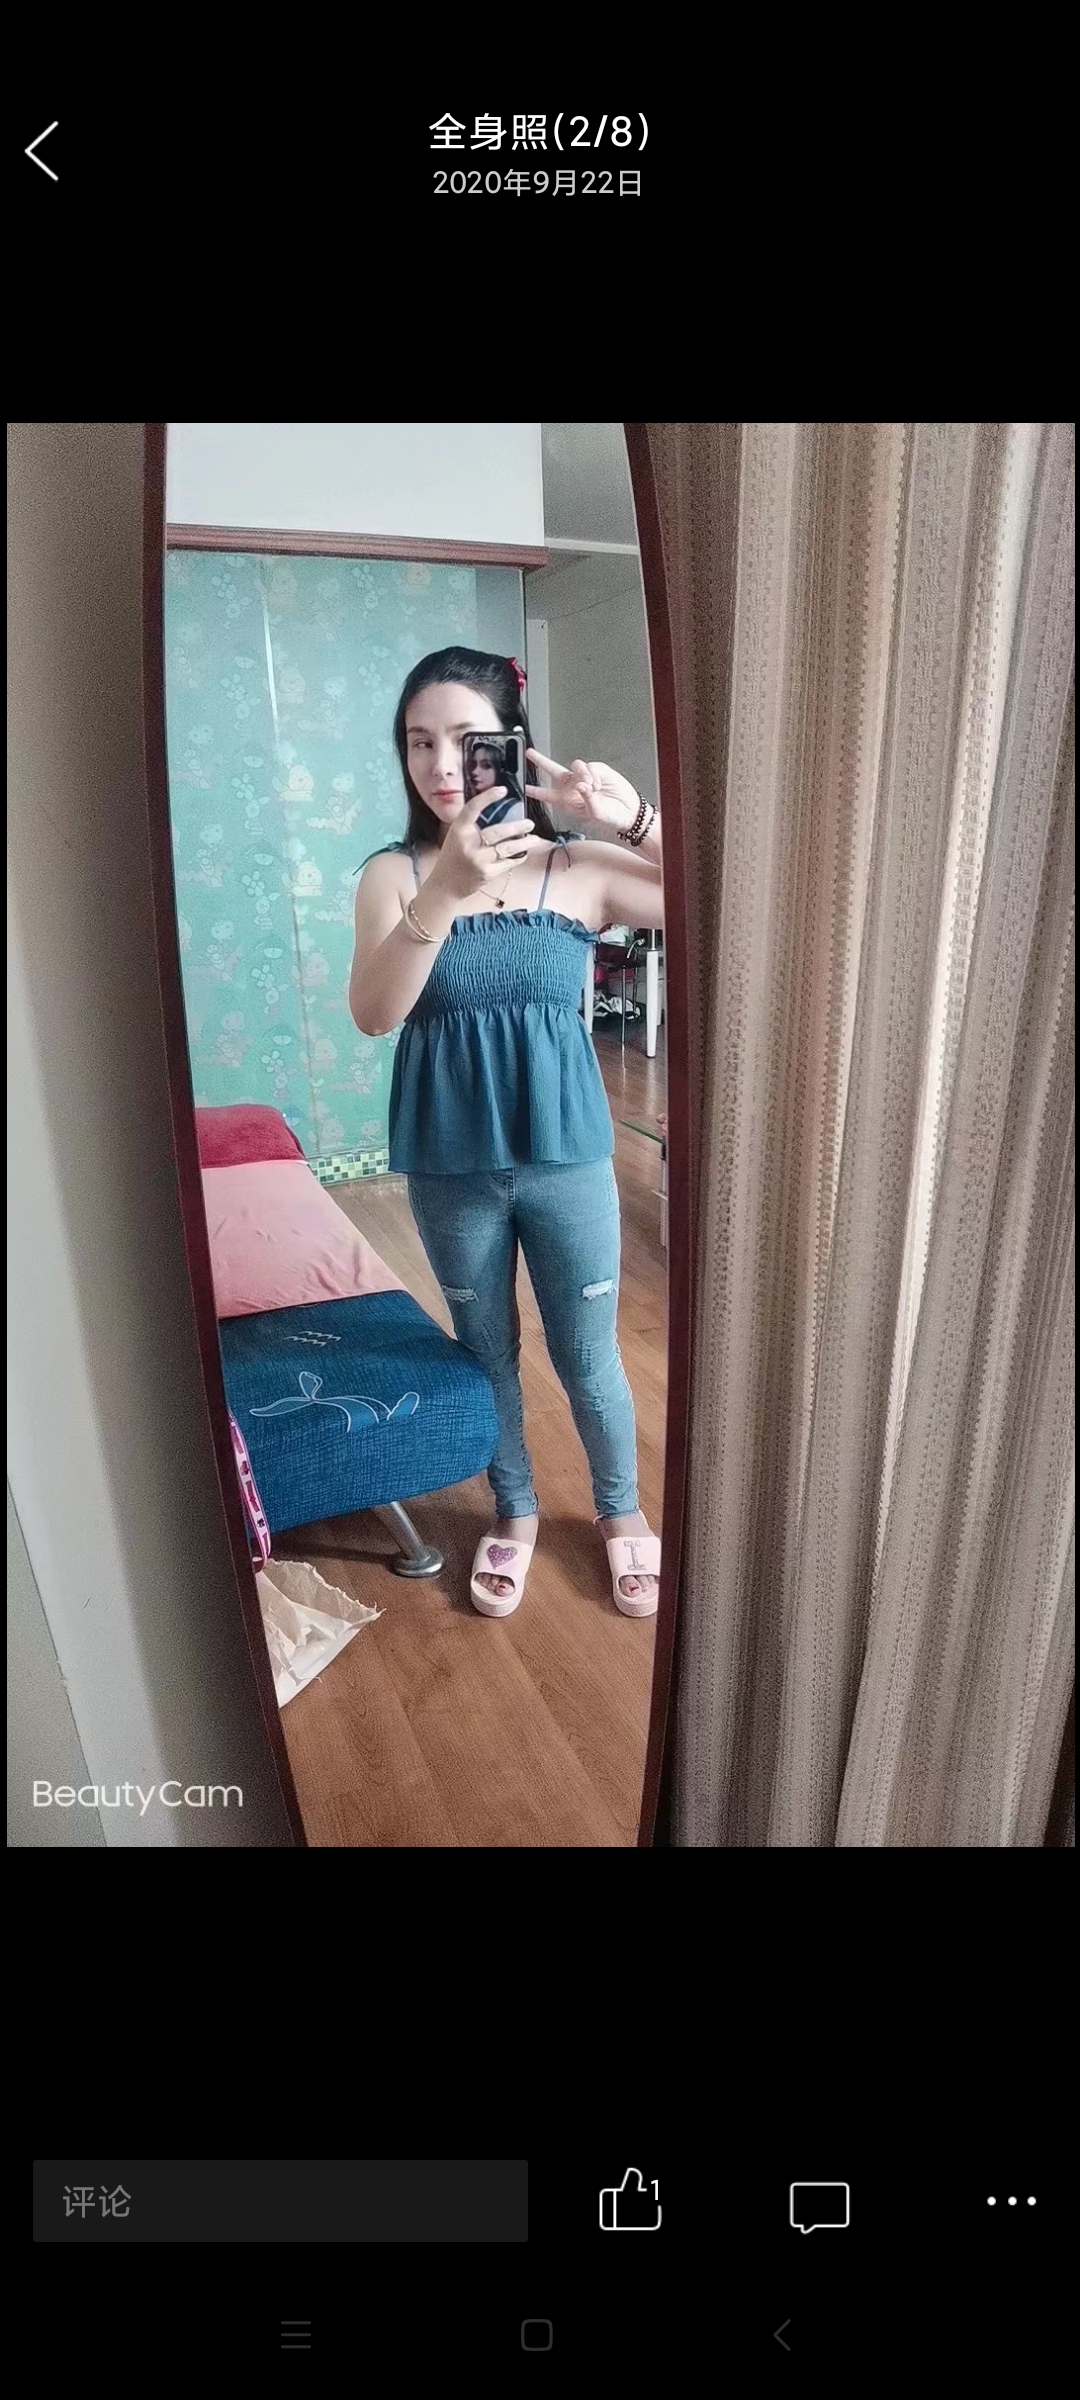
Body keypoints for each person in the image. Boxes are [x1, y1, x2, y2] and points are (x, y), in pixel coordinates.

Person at [349, 647, 664, 1618]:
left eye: (465, 740)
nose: (442, 765)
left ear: (512, 746)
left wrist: (632, 820)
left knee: (589, 1355)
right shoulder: (393, 875)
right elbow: (375, 1013)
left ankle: (619, 1510)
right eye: (419, 742)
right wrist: (443, 890)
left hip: (567, 1158)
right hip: (450, 1168)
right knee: (484, 1347)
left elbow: (731, 898)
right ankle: (515, 1509)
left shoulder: (578, 871)